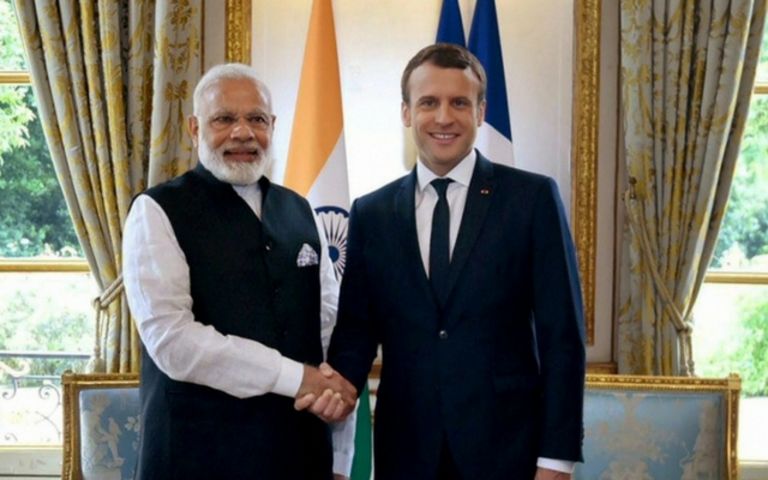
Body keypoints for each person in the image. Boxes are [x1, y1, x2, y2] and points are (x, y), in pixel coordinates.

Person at [305, 44, 586, 479]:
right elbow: (357, 331)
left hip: (507, 452)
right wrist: (334, 388)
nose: (443, 117)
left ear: (481, 111)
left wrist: (555, 460)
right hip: (407, 453)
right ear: (406, 112)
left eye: (459, 103)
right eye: (428, 103)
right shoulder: (372, 213)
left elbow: (562, 338)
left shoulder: (531, 200)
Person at [123, 63, 356, 480]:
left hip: (298, 454)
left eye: (257, 119)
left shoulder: (300, 209)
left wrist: (339, 445)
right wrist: (296, 377)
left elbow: (325, 323)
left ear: (273, 126)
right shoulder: (156, 210)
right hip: (196, 457)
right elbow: (173, 341)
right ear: (195, 128)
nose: (243, 132)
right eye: (224, 119)